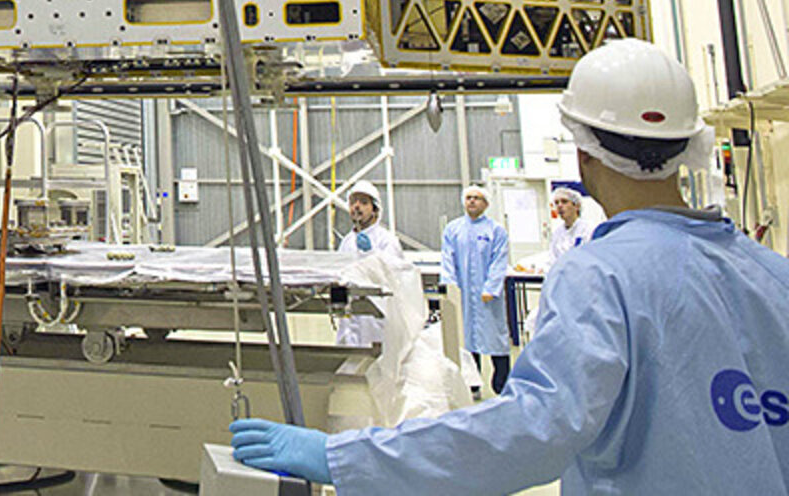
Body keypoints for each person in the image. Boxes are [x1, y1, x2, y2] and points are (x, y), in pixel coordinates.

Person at [230, 38, 789, 494]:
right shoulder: (773, 275)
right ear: (689, 147)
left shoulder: (601, 279)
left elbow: (530, 431)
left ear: (583, 153)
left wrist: (345, 457)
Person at [441, 183, 510, 395]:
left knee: (495, 339)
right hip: (462, 294)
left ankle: (502, 386)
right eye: (468, 197)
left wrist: (491, 287)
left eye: (477, 198)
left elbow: (500, 261)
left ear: (486, 204)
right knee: (467, 340)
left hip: (488, 297)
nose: (471, 201)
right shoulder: (453, 229)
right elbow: (447, 259)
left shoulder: (495, 230)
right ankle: (472, 385)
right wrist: (450, 286)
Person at [335, 179, 403, 347]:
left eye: (364, 202)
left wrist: (371, 252)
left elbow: (392, 274)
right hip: (350, 316)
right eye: (353, 202)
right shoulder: (346, 242)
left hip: (376, 315)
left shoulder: (387, 240)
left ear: (375, 210)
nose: (356, 207)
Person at [546, 185, 594, 265]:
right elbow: (552, 258)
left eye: (564, 201)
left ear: (577, 206)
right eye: (556, 203)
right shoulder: (557, 233)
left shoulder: (588, 229)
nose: (559, 206)